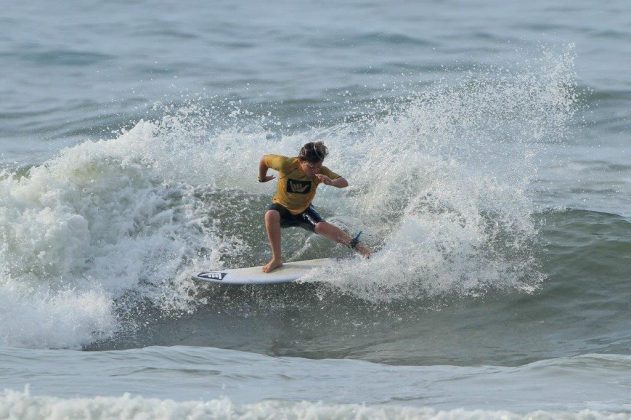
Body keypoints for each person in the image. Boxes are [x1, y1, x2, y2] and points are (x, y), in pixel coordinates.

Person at [258, 141, 371, 272]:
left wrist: (331, 182)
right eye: (311, 167)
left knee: (321, 226)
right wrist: (262, 178)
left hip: (304, 210)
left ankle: (362, 249)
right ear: (301, 160)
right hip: (282, 208)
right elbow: (264, 160)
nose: (315, 171)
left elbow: (344, 182)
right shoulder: (286, 164)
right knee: (271, 214)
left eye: (318, 166)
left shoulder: (321, 171)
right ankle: (277, 258)